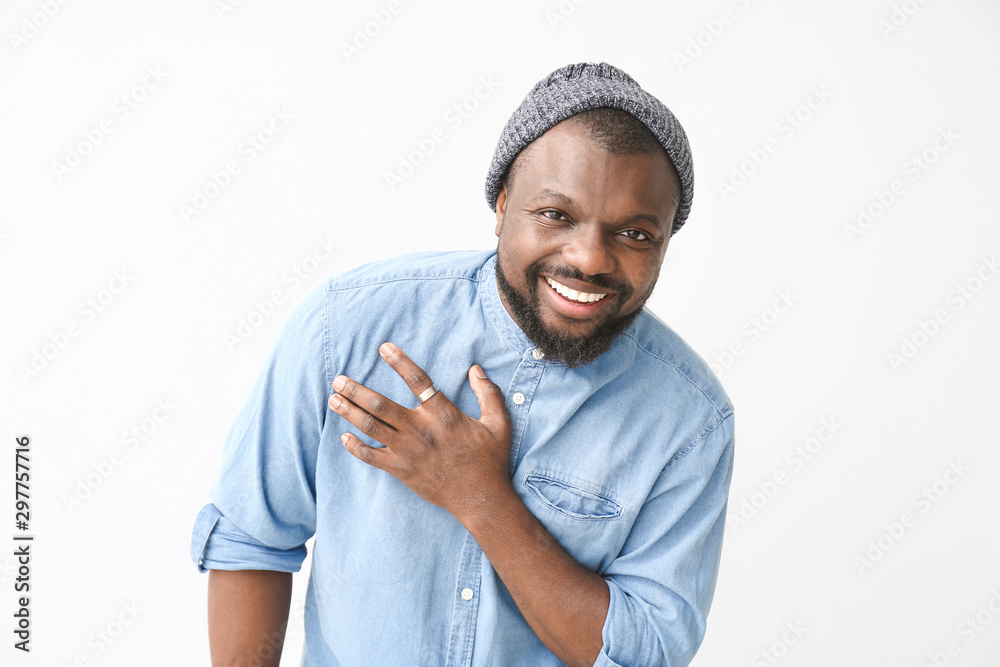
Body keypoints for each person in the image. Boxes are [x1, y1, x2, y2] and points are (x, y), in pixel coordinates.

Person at [191, 61, 735, 667]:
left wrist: (480, 498)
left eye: (635, 234)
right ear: (502, 205)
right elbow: (251, 539)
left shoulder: (689, 419)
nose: (590, 258)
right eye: (556, 215)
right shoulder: (348, 325)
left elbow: (647, 653)